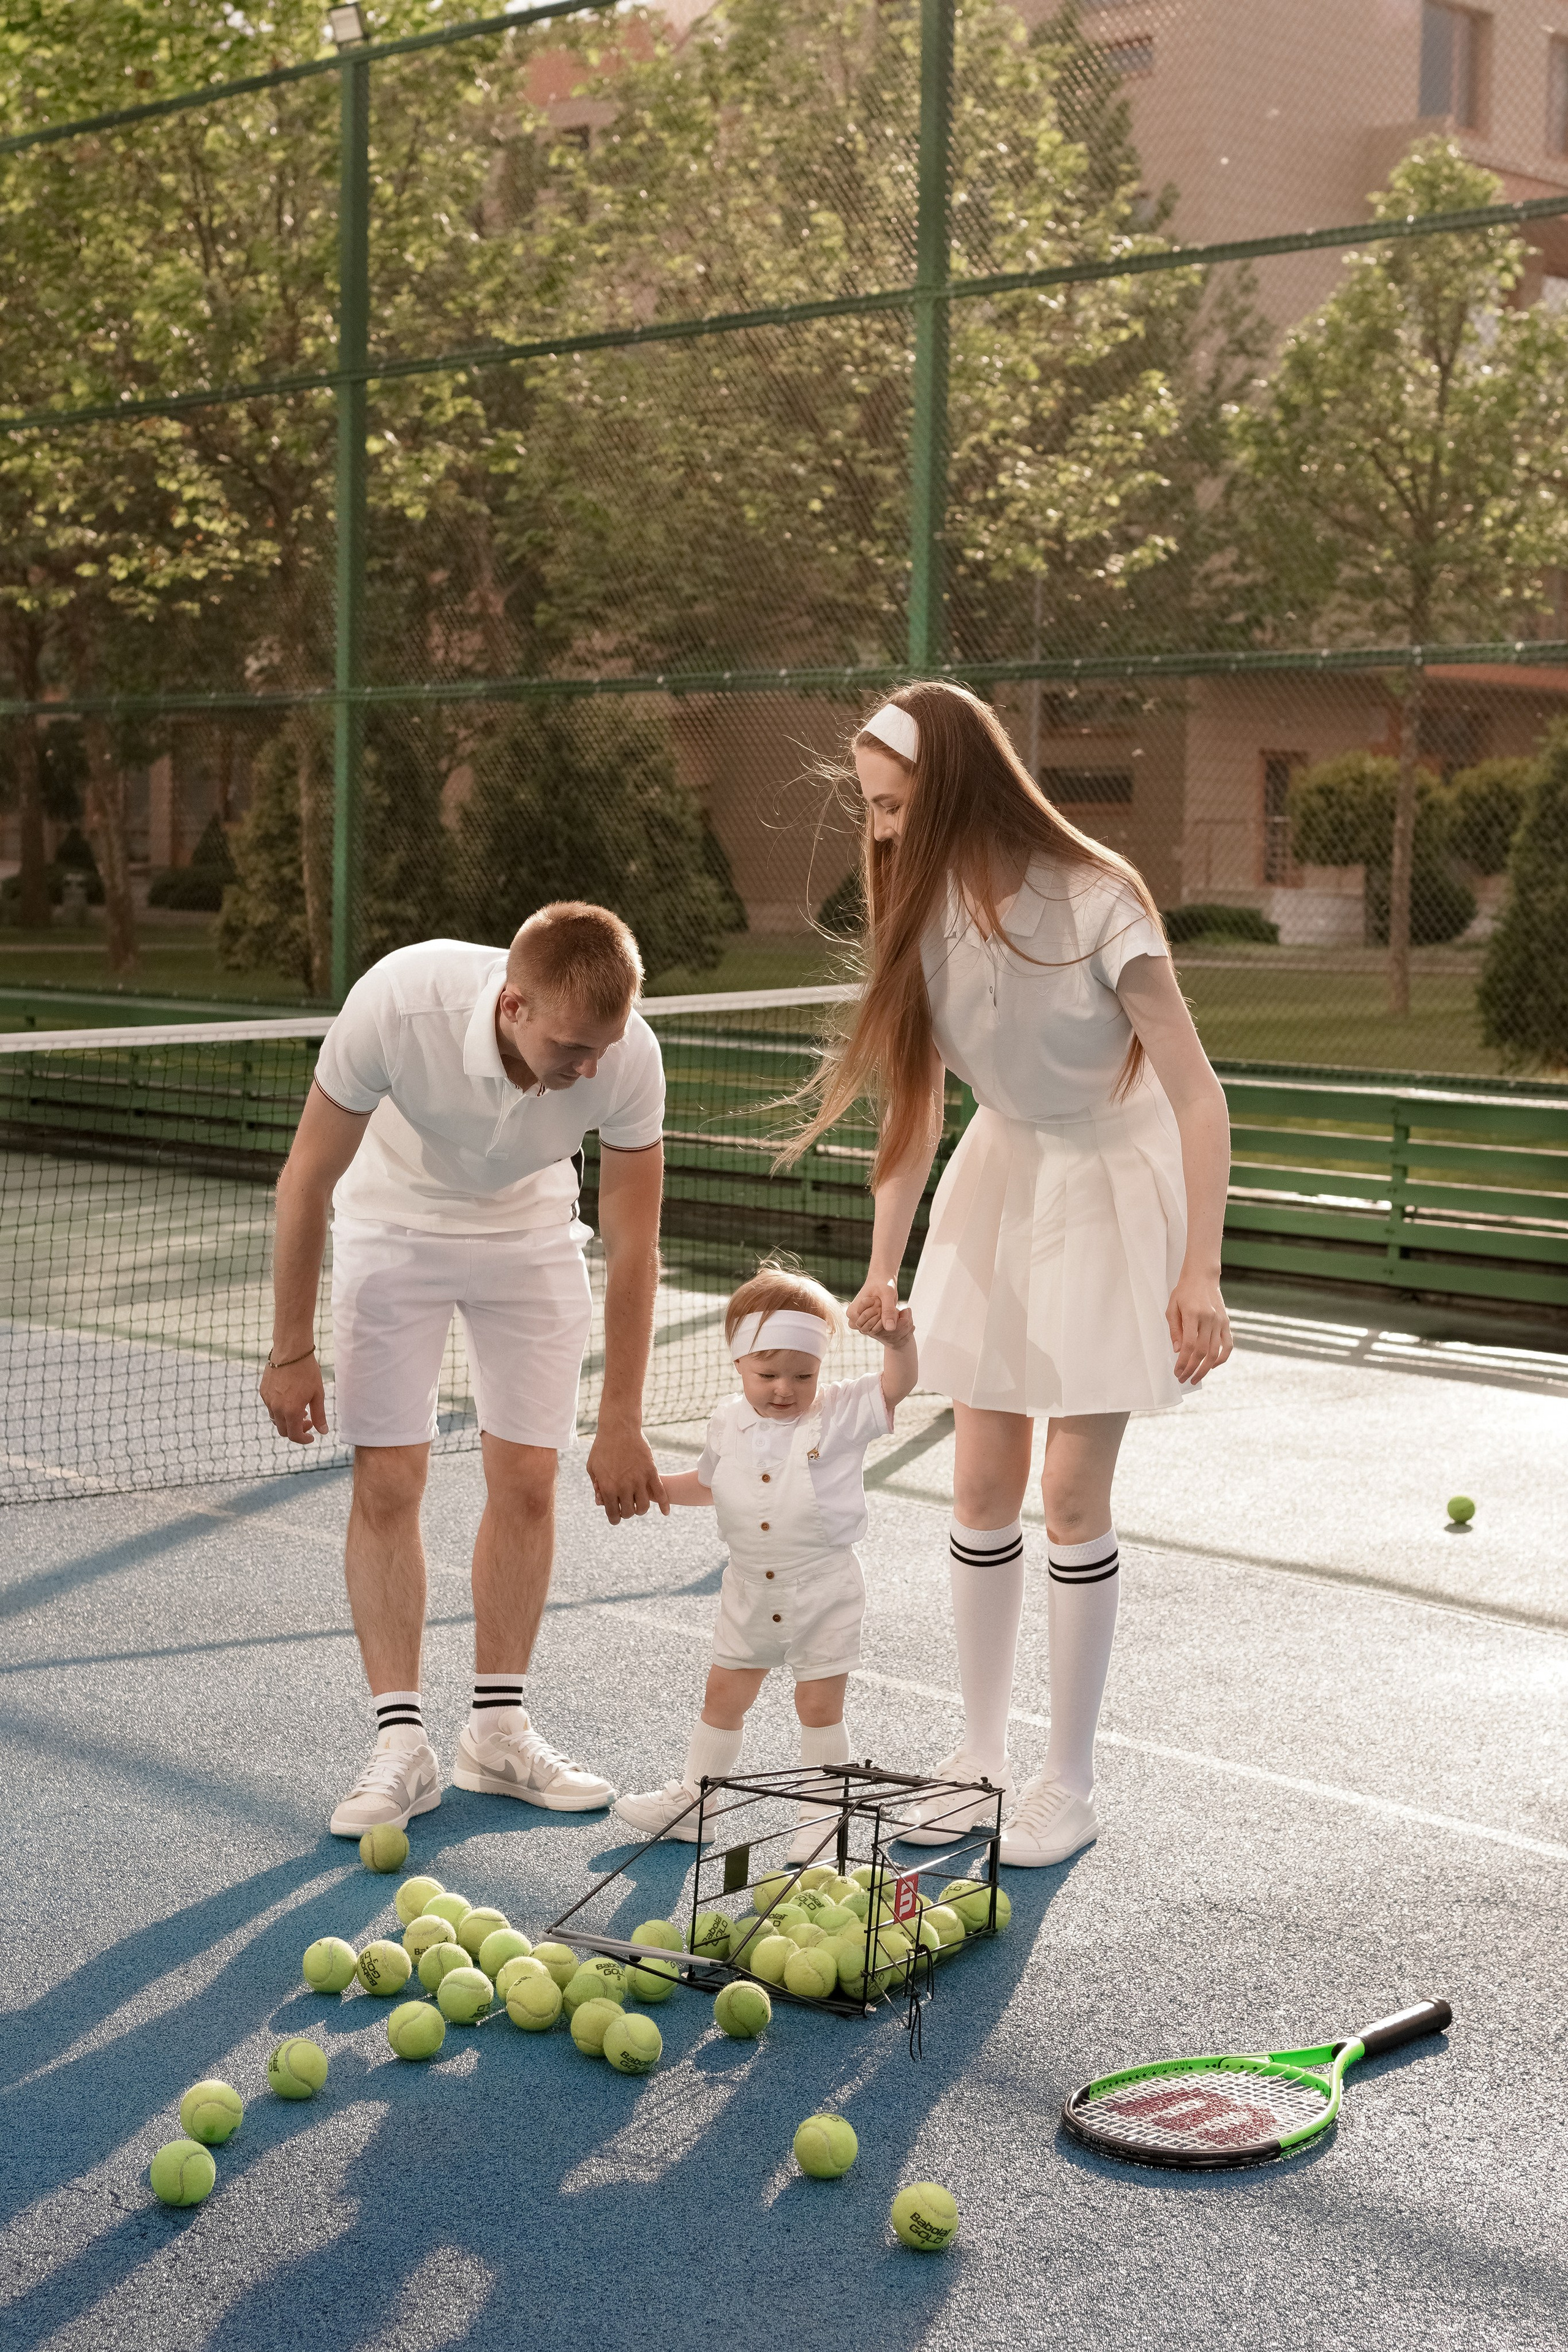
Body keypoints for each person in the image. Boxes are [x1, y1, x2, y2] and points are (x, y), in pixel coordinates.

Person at [788, 684, 1232, 1868]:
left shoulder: (1099, 900)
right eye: (871, 812)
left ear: (951, 789)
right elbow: (919, 1104)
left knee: (1072, 1493)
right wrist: (884, 1269)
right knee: (981, 1485)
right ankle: (980, 1760)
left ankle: (1067, 1783)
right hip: (1002, 1174)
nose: (878, 833)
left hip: (1112, 1176)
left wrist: (1202, 1270)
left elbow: (1197, 1090)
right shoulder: (920, 909)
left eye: (891, 807)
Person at [260, 902, 669, 1838]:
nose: (590, 1068)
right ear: (513, 1005)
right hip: (392, 1229)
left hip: (530, 1237)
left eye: (603, 1047)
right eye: (573, 1045)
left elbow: (635, 1244)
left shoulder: (625, 1053)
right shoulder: (400, 1002)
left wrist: (623, 1416)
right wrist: (290, 1348)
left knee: (528, 1479)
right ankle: (401, 1745)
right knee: (390, 1479)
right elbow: (307, 1179)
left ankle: (497, 1730)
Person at [610, 1263, 918, 1864]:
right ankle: (696, 1804)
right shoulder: (728, 1420)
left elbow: (895, 1386)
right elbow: (707, 1482)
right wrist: (653, 1488)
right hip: (748, 1589)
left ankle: (822, 1819)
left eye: (803, 1374)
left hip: (822, 1588)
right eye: (767, 1373)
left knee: (819, 1705)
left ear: (821, 1367)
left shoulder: (840, 1411)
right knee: (723, 1695)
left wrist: (898, 1344)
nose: (785, 1388)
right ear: (737, 1365)